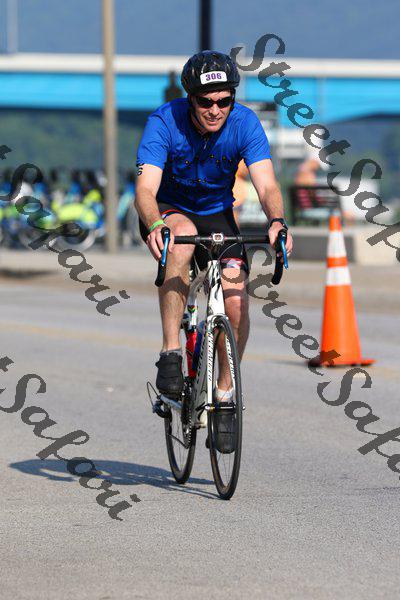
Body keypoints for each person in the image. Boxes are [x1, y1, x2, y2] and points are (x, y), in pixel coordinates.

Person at [135, 50, 293, 408]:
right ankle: (170, 352)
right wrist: (155, 224)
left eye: (224, 101)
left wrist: (277, 221)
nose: (215, 110)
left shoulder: (245, 123)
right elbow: (144, 190)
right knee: (180, 241)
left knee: (235, 301)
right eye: (206, 102)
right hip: (168, 209)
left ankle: (224, 390)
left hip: (217, 214)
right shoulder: (164, 121)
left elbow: (267, 185)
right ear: (190, 99)